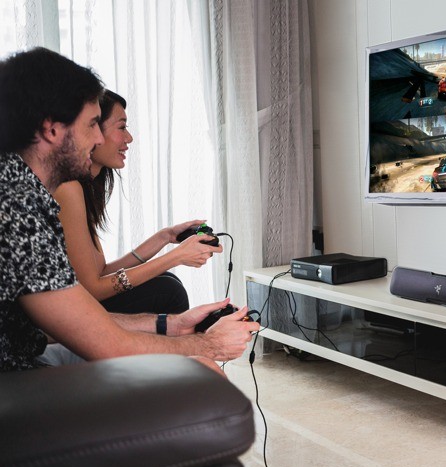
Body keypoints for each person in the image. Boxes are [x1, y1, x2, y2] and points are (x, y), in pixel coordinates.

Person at [0, 47, 259, 372]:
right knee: (205, 368)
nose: (99, 138)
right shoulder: (17, 208)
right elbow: (107, 342)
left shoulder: (22, 190)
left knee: (197, 357)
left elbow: (62, 320)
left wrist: (171, 325)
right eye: (92, 125)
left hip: (29, 354)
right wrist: (209, 343)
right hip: (16, 379)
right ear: (51, 129)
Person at [53, 90, 218, 315]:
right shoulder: (68, 188)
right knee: (168, 290)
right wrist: (175, 257)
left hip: (82, 300)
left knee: (167, 282)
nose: (129, 138)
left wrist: (165, 237)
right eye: (122, 127)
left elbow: (101, 272)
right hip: (69, 311)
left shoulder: (84, 188)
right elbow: (93, 288)